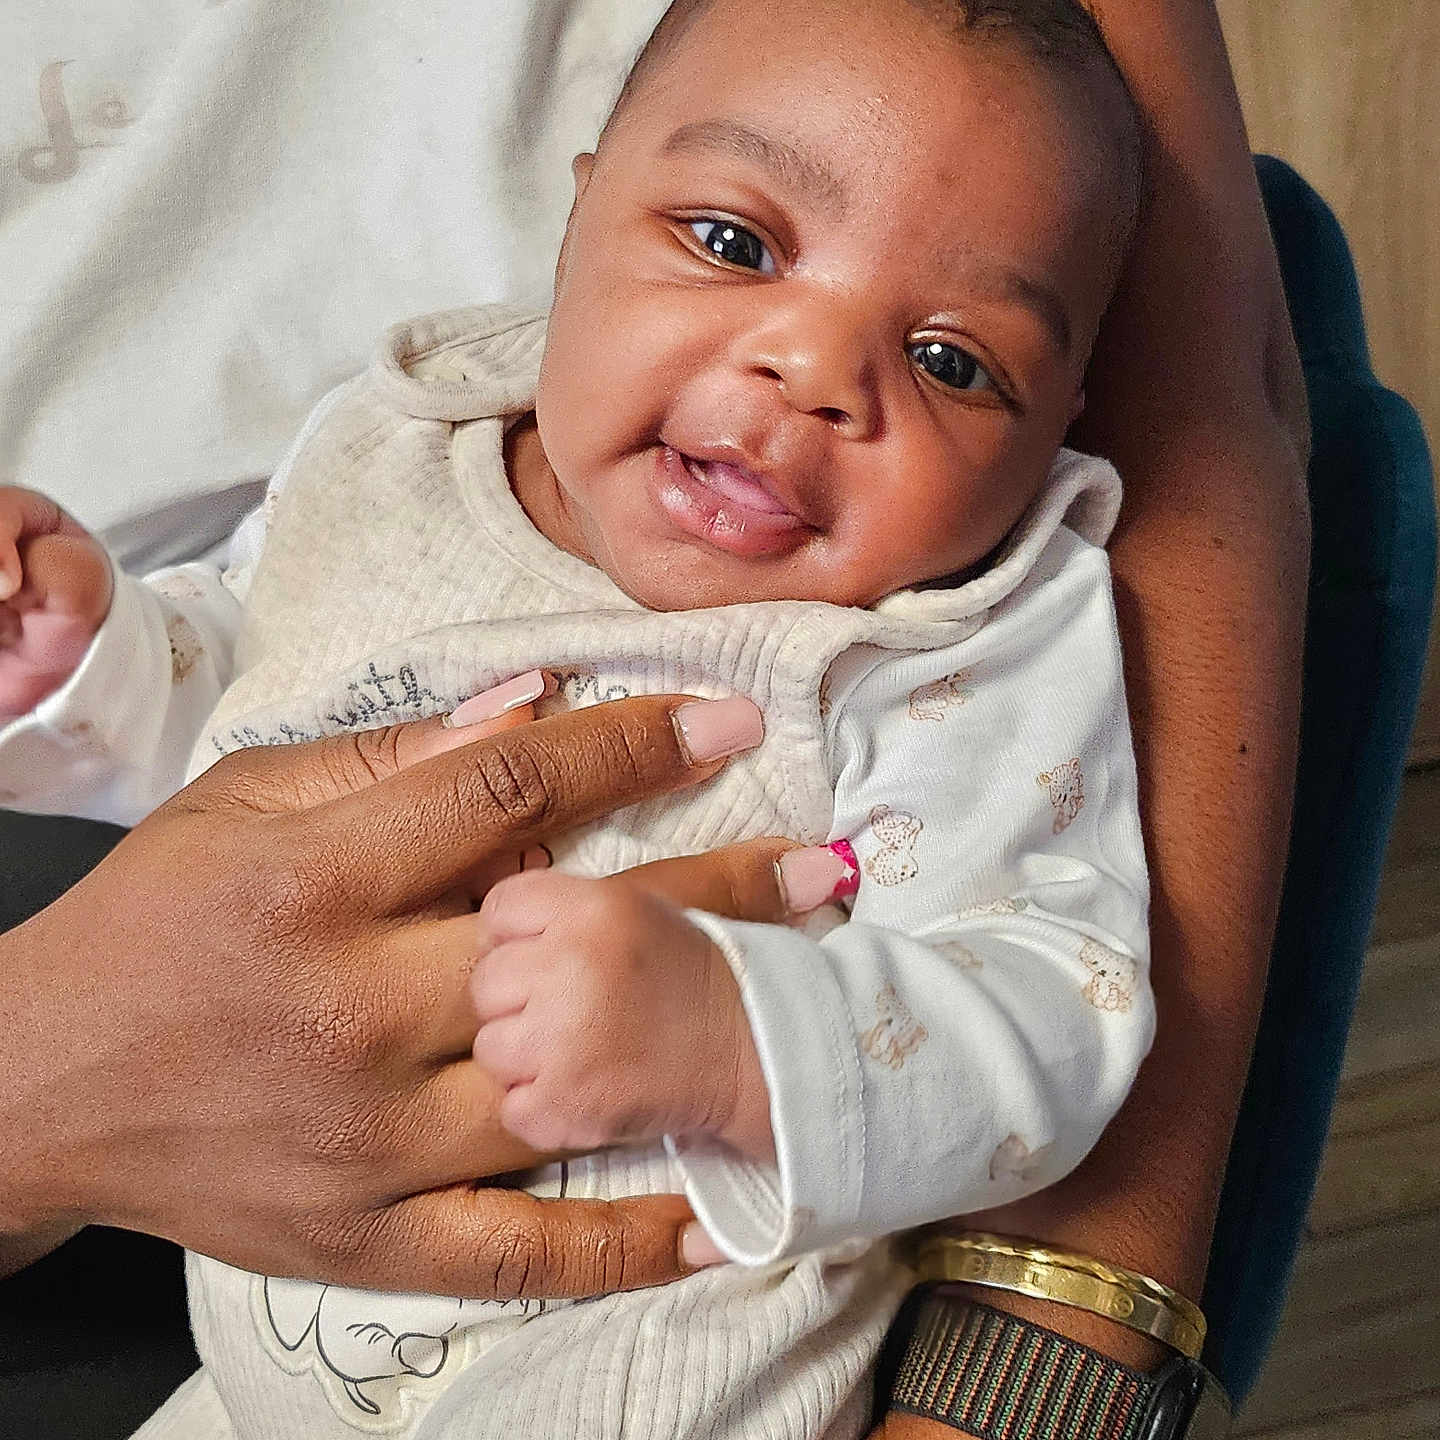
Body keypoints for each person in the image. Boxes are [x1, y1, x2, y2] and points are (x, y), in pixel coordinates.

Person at [0, 0, 1311, 1437]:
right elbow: (265, 697)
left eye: (952, 361)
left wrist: (737, 1035)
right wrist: (106, 661)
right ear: (574, 217)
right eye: (734, 245)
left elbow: (1058, 1015)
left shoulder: (943, 646)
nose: (814, 372)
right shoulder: (401, 446)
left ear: (1061, 421)